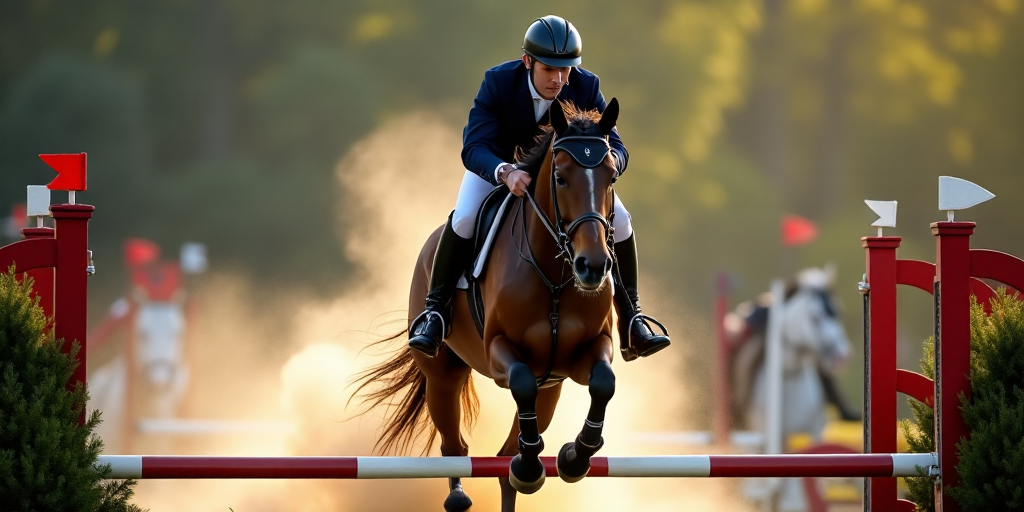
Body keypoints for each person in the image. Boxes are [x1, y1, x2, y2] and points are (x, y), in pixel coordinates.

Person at [408, 15, 670, 362]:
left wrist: (605, 167)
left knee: (621, 219)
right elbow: (473, 147)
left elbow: (617, 147)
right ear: (528, 61)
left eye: (566, 70)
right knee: (465, 218)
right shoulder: (498, 82)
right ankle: (436, 313)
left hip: (567, 178)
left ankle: (632, 318)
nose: (559, 79)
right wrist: (505, 172)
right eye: (549, 69)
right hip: (499, 169)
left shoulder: (587, 86)